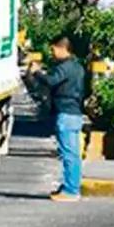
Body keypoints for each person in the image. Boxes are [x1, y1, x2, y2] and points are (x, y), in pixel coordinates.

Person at [27, 34, 86, 202]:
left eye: (53, 49)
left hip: (66, 114)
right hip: (75, 113)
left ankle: (70, 190)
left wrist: (37, 73)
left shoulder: (64, 67)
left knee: (68, 154)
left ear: (62, 48)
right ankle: (71, 186)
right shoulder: (78, 67)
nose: (52, 53)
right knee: (72, 154)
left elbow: (51, 81)